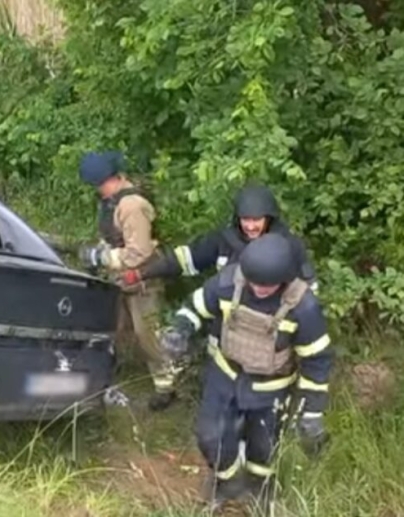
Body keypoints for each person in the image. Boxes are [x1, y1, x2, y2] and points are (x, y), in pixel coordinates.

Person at [159, 233, 333, 512]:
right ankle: (227, 482)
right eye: (255, 281)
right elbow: (196, 307)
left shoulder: (304, 307)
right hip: (225, 376)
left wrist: (312, 413)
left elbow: (317, 360)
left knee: (264, 447)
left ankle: (259, 487)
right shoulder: (229, 282)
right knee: (210, 436)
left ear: (286, 277)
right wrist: (180, 329)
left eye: (268, 284)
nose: (260, 289)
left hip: (272, 388)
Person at [77, 150, 179, 412]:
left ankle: (166, 388)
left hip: (144, 280)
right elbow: (113, 237)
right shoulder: (111, 201)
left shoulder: (132, 205)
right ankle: (105, 376)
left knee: (148, 336)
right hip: (120, 278)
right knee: (113, 328)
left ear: (111, 178)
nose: (97, 191)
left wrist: (102, 257)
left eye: (99, 185)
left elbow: (139, 252)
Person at [132, 183, 318, 292]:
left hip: (269, 332)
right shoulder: (224, 240)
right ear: (237, 217)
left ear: (269, 217)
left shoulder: (288, 246)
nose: (251, 226)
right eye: (245, 219)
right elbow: (184, 259)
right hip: (228, 326)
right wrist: (142, 273)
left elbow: (309, 292)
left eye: (256, 220)